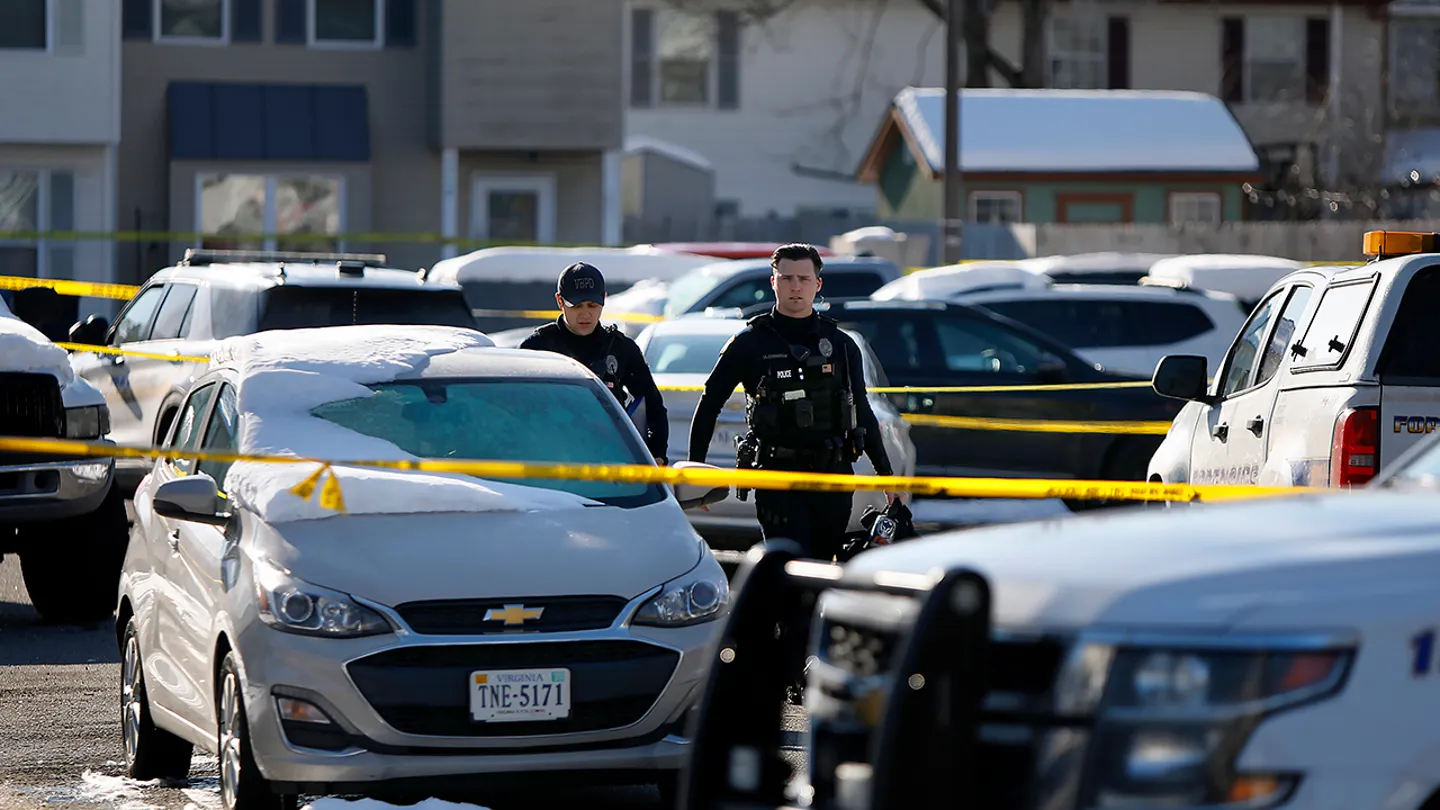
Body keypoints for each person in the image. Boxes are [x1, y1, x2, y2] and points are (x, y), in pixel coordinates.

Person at [687, 243, 899, 561]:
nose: (795, 286)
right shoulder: (749, 343)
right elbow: (709, 405)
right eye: (786, 278)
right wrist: (696, 471)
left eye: (803, 278)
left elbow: (863, 413)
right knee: (785, 564)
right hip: (776, 476)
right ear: (773, 282)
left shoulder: (841, 345)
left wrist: (888, 477)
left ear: (818, 284)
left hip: (832, 476)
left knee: (823, 566)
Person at [519, 261, 670, 464]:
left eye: (593, 305)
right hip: (550, 459)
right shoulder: (537, 347)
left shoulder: (621, 349)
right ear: (559, 301)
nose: (586, 314)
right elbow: (517, 408)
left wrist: (657, 455)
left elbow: (654, 407)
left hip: (611, 460)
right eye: (577, 306)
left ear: (604, 300)